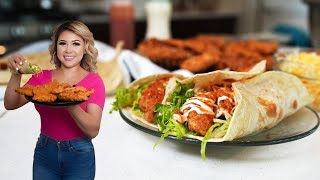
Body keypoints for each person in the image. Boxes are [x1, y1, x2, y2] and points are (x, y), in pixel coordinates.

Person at [4, 21, 105, 180]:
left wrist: (68, 102)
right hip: (45, 151)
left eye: (76, 44)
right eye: (62, 43)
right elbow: (10, 104)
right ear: (56, 47)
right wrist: (16, 74)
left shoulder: (94, 82)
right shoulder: (41, 77)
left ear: (85, 48)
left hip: (79, 154)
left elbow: (93, 130)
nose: (68, 50)